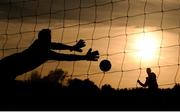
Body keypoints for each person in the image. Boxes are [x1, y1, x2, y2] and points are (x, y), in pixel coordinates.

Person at [0, 29, 99, 82]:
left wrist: (72, 48)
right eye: (48, 38)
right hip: (7, 66)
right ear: (44, 39)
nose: (50, 40)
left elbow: (56, 45)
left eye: (49, 38)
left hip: (8, 63)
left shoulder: (38, 43)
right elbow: (66, 57)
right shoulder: (45, 53)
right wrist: (84, 57)